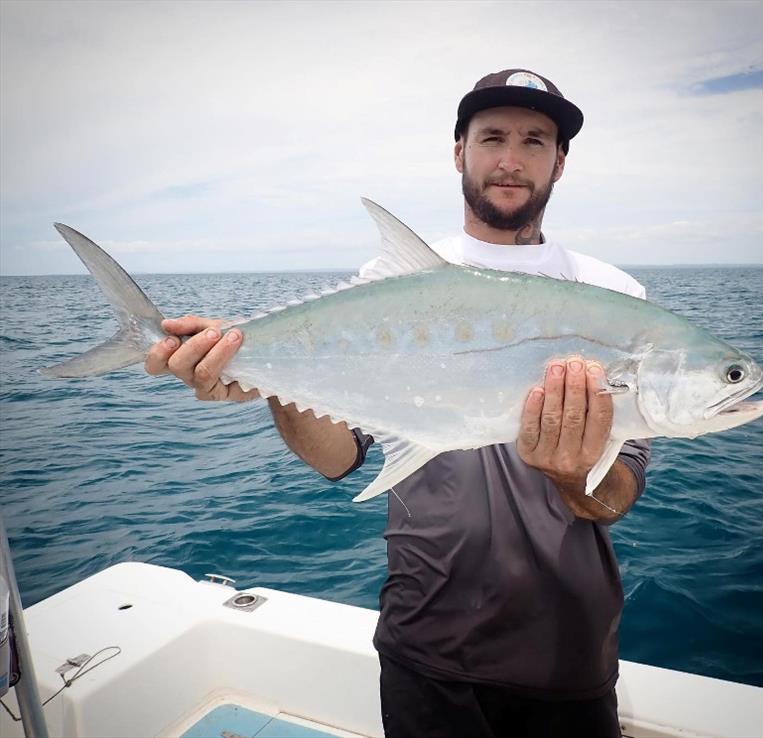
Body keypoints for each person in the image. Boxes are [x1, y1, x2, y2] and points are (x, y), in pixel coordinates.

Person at [145, 69, 650, 738]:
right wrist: (262, 379)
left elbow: (615, 497)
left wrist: (569, 474)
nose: (510, 158)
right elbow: (337, 458)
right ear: (458, 152)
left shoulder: (613, 296)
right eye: (490, 137)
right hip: (425, 645)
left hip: (567, 652)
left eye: (534, 141)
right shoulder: (389, 289)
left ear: (560, 161)